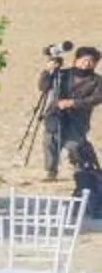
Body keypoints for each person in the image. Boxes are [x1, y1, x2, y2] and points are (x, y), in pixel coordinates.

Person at [47, 45, 102, 177]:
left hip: (79, 117)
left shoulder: (97, 80)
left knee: (74, 144)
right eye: (84, 59)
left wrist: (73, 103)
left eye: (91, 61)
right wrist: (48, 72)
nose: (87, 63)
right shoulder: (62, 74)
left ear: (96, 63)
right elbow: (43, 86)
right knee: (50, 140)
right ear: (76, 60)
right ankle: (51, 171)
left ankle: (83, 168)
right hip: (55, 113)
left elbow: (96, 98)